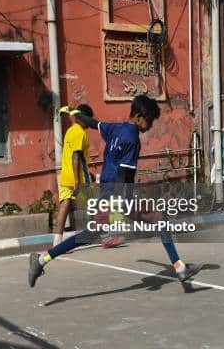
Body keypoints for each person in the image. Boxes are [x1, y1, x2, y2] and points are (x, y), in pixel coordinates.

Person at [29, 95, 200, 287]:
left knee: (95, 233)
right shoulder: (133, 139)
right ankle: (41, 260)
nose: (150, 124)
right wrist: (123, 203)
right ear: (138, 116)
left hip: (108, 191)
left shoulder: (112, 128)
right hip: (117, 194)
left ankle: (179, 267)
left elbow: (92, 122)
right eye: (149, 119)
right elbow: (124, 174)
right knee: (157, 220)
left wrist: (74, 112)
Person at [56, 105, 123, 249]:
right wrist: (77, 181)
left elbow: (73, 156)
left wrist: (89, 175)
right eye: (88, 119)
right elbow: (76, 157)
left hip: (65, 175)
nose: (89, 123)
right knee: (95, 207)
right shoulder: (80, 133)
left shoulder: (70, 131)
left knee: (64, 207)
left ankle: (56, 243)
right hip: (79, 179)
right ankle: (106, 238)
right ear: (82, 118)